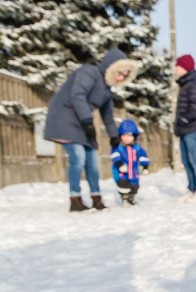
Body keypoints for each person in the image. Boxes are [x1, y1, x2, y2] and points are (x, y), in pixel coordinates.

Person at [44, 48, 138, 212]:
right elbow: (77, 95)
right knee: (78, 157)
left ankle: (96, 198)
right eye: (120, 72)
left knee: (92, 161)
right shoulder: (89, 72)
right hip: (64, 118)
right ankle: (75, 199)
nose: (121, 77)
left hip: (82, 122)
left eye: (125, 75)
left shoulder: (106, 90)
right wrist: (88, 122)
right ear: (112, 67)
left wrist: (114, 137)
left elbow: (107, 116)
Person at [174, 54, 196, 198]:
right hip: (184, 129)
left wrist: (184, 119)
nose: (176, 68)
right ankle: (192, 187)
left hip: (193, 128)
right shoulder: (185, 83)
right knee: (186, 160)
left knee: (194, 158)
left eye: (178, 65)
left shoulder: (193, 83)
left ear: (185, 67)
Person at [111, 119, 150, 206]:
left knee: (135, 187)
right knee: (123, 185)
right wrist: (119, 164)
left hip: (134, 173)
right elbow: (115, 155)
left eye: (129, 135)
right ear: (120, 136)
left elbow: (143, 157)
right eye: (124, 135)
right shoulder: (118, 147)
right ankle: (124, 197)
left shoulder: (137, 148)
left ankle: (131, 198)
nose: (126, 138)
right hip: (121, 174)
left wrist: (145, 167)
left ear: (134, 136)